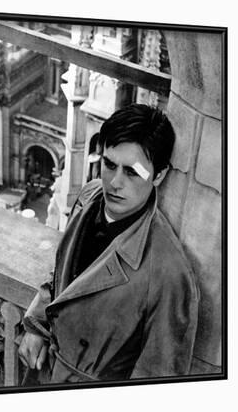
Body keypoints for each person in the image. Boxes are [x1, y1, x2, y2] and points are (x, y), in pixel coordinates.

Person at [18, 104, 199, 382]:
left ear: (159, 175)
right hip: (43, 372)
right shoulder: (89, 196)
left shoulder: (169, 272)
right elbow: (62, 277)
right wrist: (36, 325)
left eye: (132, 172)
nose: (114, 183)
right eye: (109, 164)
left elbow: (159, 380)